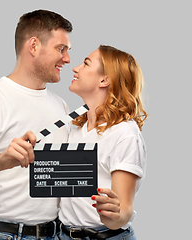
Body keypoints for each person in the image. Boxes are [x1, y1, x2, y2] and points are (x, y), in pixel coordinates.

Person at [0, 10, 72, 240]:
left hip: (54, 232)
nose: (67, 59)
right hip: (4, 234)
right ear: (34, 46)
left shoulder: (62, 106)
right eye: (61, 49)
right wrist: (2, 159)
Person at [58, 45, 148, 240]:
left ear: (104, 80)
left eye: (86, 63)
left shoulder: (124, 133)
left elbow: (123, 210)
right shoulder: (75, 129)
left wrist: (114, 215)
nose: (75, 68)